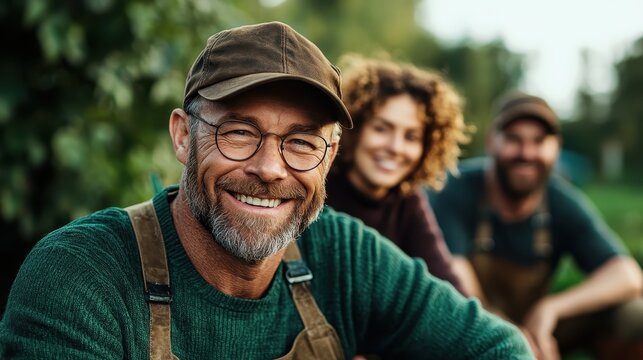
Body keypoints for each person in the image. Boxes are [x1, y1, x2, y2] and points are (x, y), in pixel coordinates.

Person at [0, 22, 532, 359]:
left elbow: (499, 348)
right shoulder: (82, 276)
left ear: (329, 160)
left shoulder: (346, 257)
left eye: (302, 143)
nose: (270, 168)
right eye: (239, 134)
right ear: (184, 136)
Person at [429, 91, 643, 359]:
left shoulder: (561, 202)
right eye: (513, 140)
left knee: (635, 314)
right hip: (471, 321)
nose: (526, 153)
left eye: (539, 141)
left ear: (556, 147)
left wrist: (550, 309)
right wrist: (513, 339)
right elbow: (456, 280)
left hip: (538, 327)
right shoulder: (457, 188)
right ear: (491, 142)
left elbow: (628, 275)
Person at [326, 55, 469, 296]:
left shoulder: (408, 202)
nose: (395, 147)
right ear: (354, 129)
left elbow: (449, 292)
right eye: (381, 129)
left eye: (411, 137)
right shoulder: (317, 188)